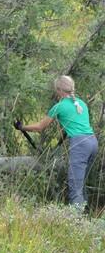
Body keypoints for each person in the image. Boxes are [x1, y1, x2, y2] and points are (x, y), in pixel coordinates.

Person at [14, 75, 98, 211]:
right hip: (93, 142)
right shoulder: (81, 104)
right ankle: (85, 214)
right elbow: (77, 124)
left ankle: (76, 220)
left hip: (80, 144)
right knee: (81, 183)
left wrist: (22, 127)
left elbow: (40, 127)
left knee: (74, 184)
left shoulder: (59, 107)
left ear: (59, 90)